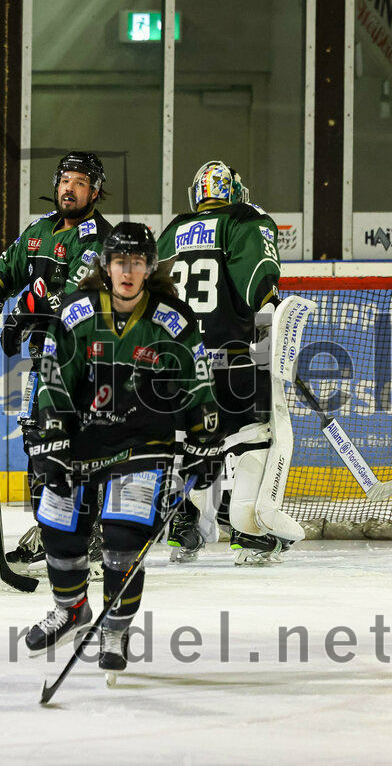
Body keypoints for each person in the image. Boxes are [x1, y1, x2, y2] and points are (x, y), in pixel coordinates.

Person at [23, 222, 223, 676]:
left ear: (149, 267)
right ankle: (71, 609)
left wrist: (205, 440)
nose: (127, 271)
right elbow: (54, 380)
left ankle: (114, 629)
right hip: (81, 440)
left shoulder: (172, 319)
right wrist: (51, 439)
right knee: (59, 529)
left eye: (136, 262)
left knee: (123, 540)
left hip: (143, 443)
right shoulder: (77, 312)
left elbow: (197, 383)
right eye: (119, 262)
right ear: (106, 265)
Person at [0, 151, 113, 577]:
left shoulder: (99, 238)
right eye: (65, 180)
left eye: (80, 182)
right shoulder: (40, 229)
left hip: (87, 357)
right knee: (38, 438)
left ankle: (87, 534)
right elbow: (5, 271)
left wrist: (22, 311)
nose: (70, 188)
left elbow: (75, 296)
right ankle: (53, 528)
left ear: (95, 192)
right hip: (47, 355)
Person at [156, 161, 297, 565]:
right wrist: (271, 328)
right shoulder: (244, 220)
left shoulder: (171, 231)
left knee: (186, 441)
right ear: (234, 192)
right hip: (230, 359)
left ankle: (184, 526)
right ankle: (248, 531)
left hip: (176, 364)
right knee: (253, 435)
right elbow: (259, 286)